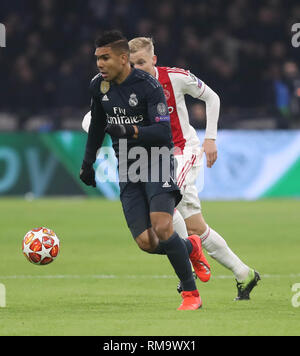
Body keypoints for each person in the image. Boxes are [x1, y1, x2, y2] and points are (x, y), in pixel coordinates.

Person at [79, 30, 211, 310]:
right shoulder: (98, 87)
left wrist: (130, 129)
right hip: (127, 165)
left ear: (123, 58)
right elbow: (97, 128)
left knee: (163, 226)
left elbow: (164, 132)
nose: (100, 64)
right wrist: (87, 163)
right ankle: (190, 247)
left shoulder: (149, 86)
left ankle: (191, 295)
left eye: (105, 58)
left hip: (157, 160)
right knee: (146, 242)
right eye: (97, 58)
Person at [127, 37, 261, 300]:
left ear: (153, 60)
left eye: (142, 62)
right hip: (156, 157)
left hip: (183, 151)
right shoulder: (127, 87)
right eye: (132, 64)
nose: (137, 68)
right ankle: (244, 273)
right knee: (196, 228)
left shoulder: (175, 77)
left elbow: (212, 97)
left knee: (163, 204)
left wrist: (210, 138)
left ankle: (185, 268)